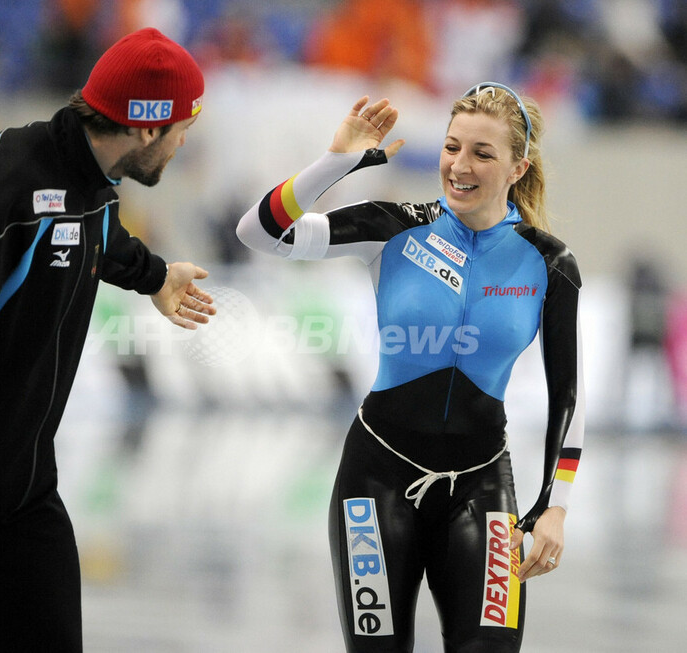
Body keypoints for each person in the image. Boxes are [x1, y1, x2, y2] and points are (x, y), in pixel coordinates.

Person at [0, 27, 215, 651]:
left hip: (22, 489)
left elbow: (99, 236)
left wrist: (156, 276)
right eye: (181, 128)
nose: (184, 144)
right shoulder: (12, 182)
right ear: (146, 127)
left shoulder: (90, 181)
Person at [236, 84, 584, 652]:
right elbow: (258, 232)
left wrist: (554, 508)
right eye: (452, 147)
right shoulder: (394, 227)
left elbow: (569, 396)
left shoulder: (549, 262)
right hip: (376, 481)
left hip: (483, 484)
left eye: (482, 153)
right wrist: (338, 162)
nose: (460, 166)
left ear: (519, 166)